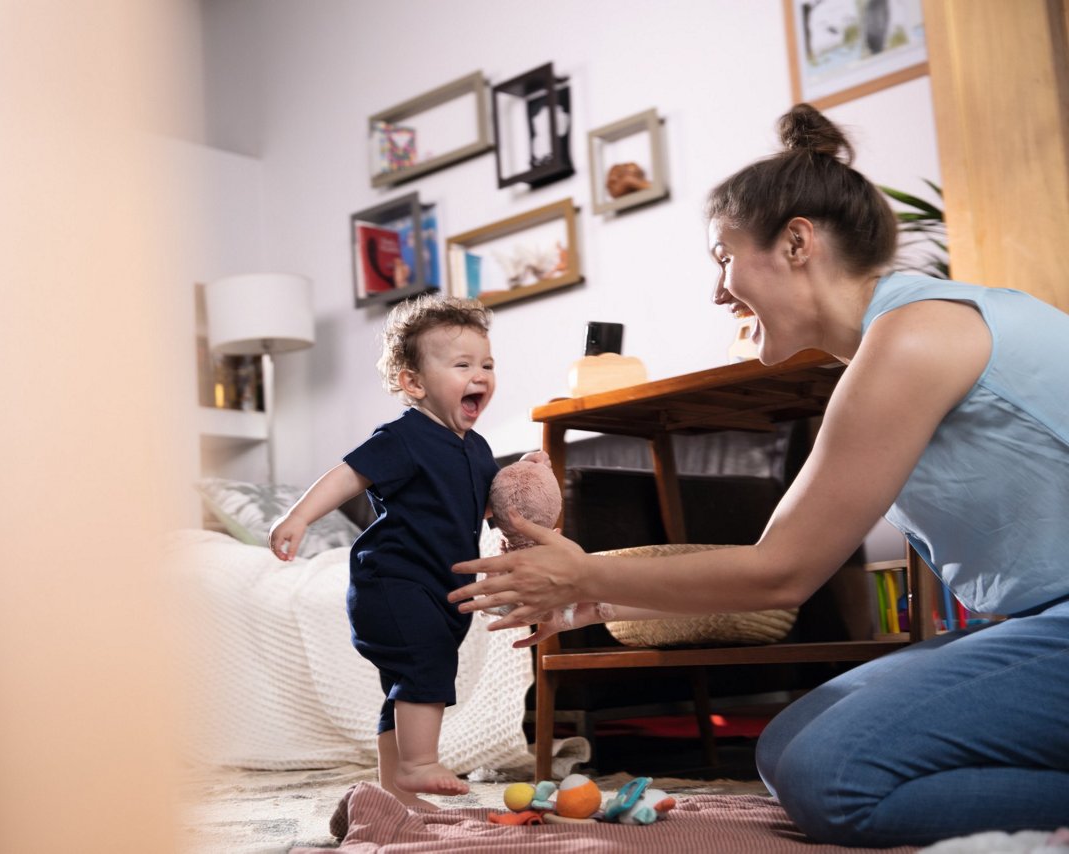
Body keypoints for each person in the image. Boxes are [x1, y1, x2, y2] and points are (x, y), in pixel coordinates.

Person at [448, 103, 1069, 847]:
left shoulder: (919, 337)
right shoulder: (902, 339)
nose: (718, 291)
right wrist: (595, 594)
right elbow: (777, 557)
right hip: (1045, 627)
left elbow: (779, 575)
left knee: (832, 777)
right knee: (787, 745)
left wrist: (584, 578)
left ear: (798, 241)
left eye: (724, 257)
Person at [270, 295, 536, 809]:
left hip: (441, 588)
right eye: (462, 365)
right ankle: (417, 764)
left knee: (404, 686)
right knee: (424, 667)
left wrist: (523, 508)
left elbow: (483, 508)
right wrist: (300, 516)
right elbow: (348, 475)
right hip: (392, 581)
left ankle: (395, 792)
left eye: (486, 364)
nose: (479, 374)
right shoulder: (404, 437)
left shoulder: (477, 449)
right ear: (414, 383)